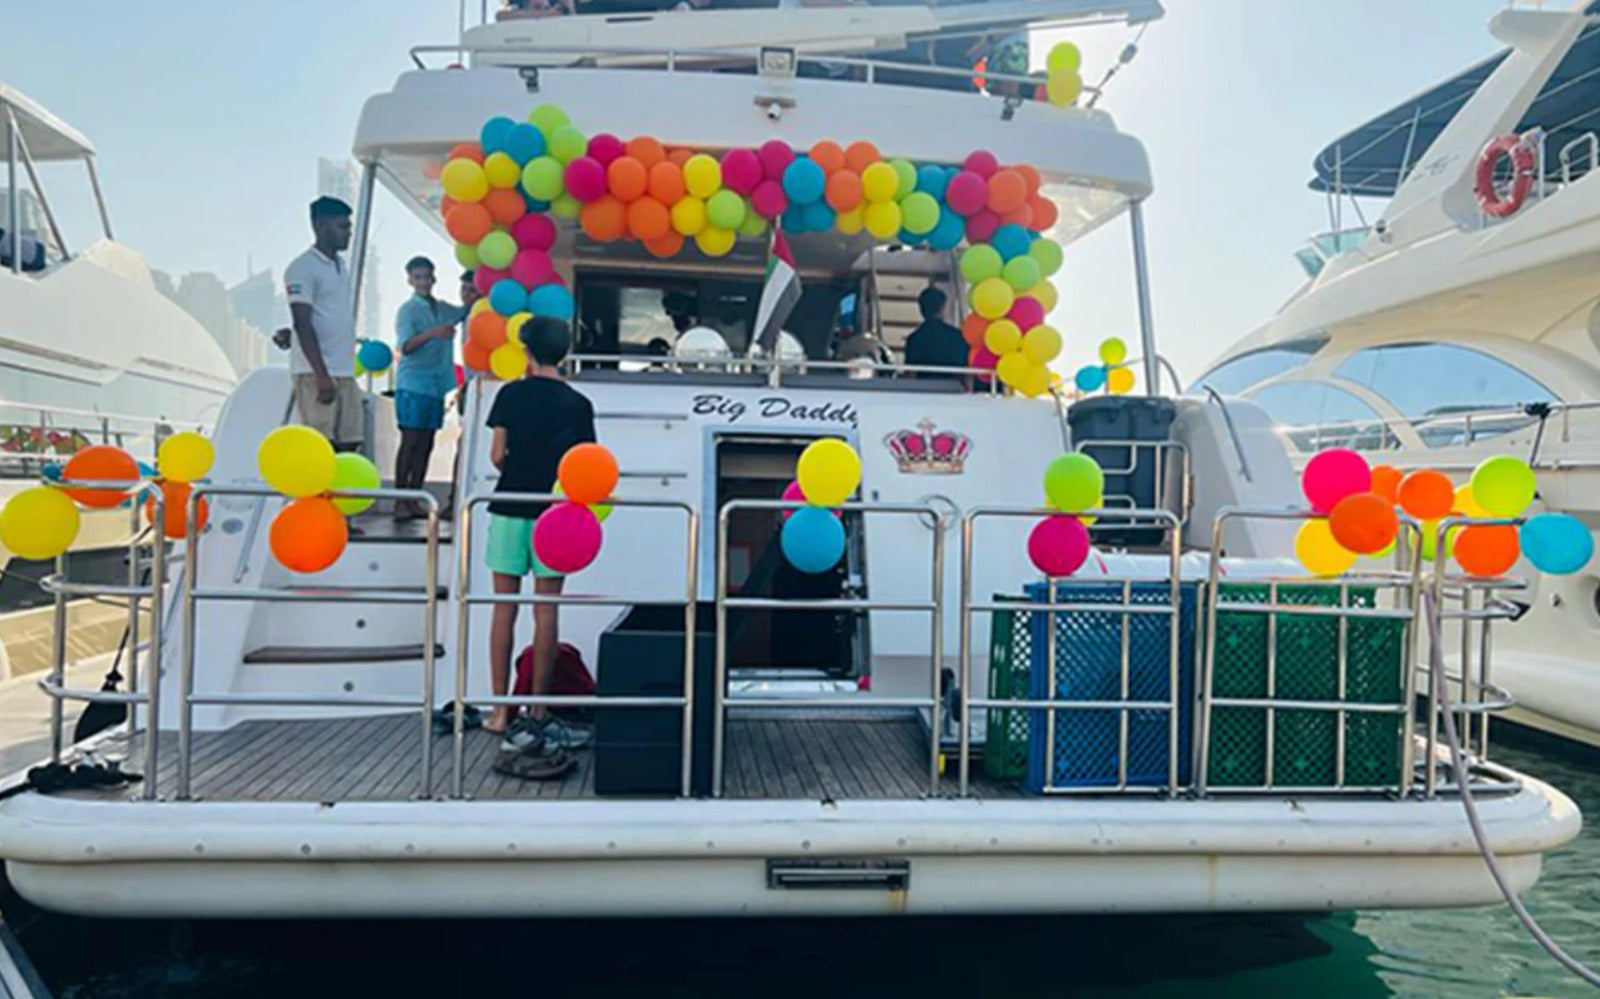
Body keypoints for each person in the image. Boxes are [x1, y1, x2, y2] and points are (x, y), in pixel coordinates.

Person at [484, 316, 596, 774]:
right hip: (555, 515)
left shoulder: (509, 394)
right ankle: (540, 711)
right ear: (565, 354)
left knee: (502, 607)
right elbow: (586, 466)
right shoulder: (578, 403)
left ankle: (499, 711)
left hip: (510, 507)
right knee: (546, 611)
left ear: (528, 352)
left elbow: (496, 455)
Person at [392, 256, 468, 519]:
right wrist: (433, 333)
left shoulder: (442, 308)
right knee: (410, 441)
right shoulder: (408, 311)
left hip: (436, 386)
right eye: (418, 277)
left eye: (427, 276)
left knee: (426, 443)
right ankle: (400, 500)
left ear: (434, 278)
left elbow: (464, 311)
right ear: (410, 281)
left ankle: (415, 496)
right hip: (413, 384)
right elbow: (406, 346)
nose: (424, 281)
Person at [284, 197, 362, 451]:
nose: (348, 233)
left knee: (350, 443)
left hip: (345, 371)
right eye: (342, 227)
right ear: (320, 226)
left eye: (349, 227)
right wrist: (321, 375)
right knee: (320, 446)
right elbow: (302, 323)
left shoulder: (341, 267)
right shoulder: (302, 267)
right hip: (316, 372)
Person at [902, 287, 968, 375]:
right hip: (954, 387)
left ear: (921, 309)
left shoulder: (914, 339)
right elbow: (967, 371)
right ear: (942, 308)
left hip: (924, 387)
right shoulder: (958, 336)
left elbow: (910, 374)